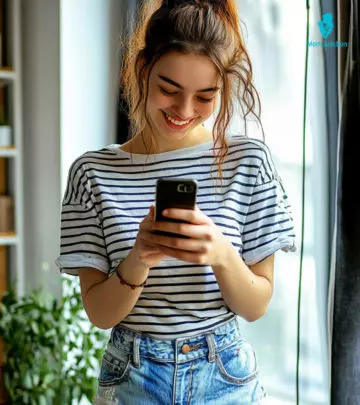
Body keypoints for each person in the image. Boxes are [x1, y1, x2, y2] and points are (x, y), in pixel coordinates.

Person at [55, 0, 296, 404]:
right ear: (142, 68)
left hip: (225, 377)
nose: (185, 111)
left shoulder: (248, 163)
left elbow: (255, 305)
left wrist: (220, 254)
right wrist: (138, 259)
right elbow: (100, 314)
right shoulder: (92, 173)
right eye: (169, 89)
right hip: (132, 377)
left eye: (205, 96)